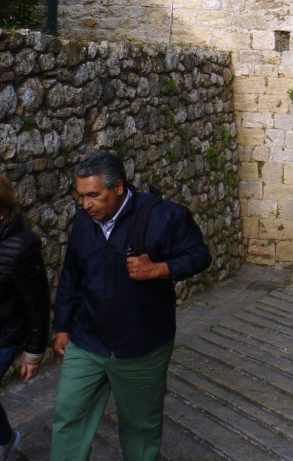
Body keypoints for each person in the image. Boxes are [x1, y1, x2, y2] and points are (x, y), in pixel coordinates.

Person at [49, 152, 211, 461]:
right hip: (87, 341)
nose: (86, 204)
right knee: (68, 416)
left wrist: (158, 269)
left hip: (141, 346)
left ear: (119, 187)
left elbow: (199, 256)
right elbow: (72, 274)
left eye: (94, 195)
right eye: (81, 196)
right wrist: (63, 326)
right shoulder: (84, 222)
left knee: (140, 429)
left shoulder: (160, 217)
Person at [0, 175, 50, 461]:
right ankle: (5, 439)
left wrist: (34, 350)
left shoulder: (23, 245)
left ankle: (6, 442)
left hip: (5, 333)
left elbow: (37, 302)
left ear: (3, 210)